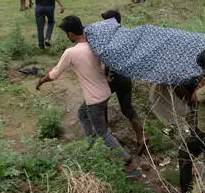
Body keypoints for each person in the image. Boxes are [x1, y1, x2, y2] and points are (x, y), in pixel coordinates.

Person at [36, 15, 138, 175]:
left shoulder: (71, 52)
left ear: (71, 34)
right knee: (83, 114)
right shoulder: (94, 44)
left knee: (103, 133)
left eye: (66, 34)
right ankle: (91, 145)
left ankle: (128, 162)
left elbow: (54, 74)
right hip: (104, 91)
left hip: (95, 99)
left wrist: (41, 81)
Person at [177, 48, 205, 193]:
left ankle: (187, 192)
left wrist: (202, 82)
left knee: (184, 153)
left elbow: (194, 98)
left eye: (203, 67)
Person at [100, 10, 146, 153]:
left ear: (110, 23)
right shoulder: (127, 36)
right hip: (125, 77)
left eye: (105, 21)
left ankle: (105, 137)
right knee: (127, 109)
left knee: (102, 104)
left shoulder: (106, 38)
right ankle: (141, 138)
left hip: (111, 77)